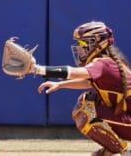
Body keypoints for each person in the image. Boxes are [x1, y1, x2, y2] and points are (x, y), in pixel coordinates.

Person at [37, 21, 131, 156]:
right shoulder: (107, 62)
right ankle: (113, 151)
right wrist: (60, 85)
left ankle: (124, 153)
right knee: (89, 99)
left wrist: (37, 69)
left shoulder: (103, 63)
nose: (79, 48)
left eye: (83, 44)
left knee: (86, 109)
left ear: (98, 43)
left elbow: (73, 72)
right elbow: (88, 82)